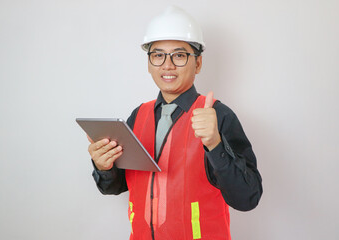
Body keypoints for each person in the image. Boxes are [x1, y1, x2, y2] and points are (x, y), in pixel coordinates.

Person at [87, 6, 262, 240]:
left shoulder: (218, 116)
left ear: (198, 63)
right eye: (158, 55)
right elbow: (116, 186)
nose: (167, 65)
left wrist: (215, 144)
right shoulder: (138, 116)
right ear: (149, 63)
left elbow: (247, 197)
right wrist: (104, 167)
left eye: (179, 55)